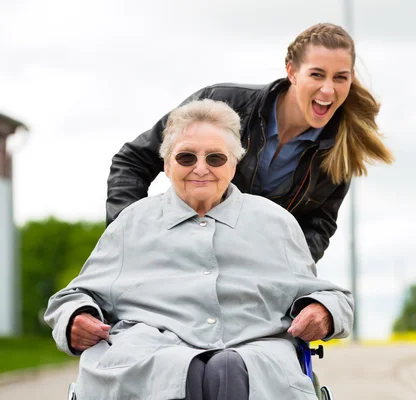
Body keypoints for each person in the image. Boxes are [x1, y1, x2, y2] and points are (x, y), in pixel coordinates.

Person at [45, 99, 353, 400]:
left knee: (230, 368)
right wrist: (76, 317)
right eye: (186, 158)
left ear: (234, 164)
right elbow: (73, 297)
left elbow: (331, 296)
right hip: (151, 351)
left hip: (254, 348)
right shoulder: (133, 223)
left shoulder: (275, 223)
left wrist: (323, 311)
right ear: (166, 165)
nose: (201, 168)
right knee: (179, 369)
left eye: (216, 158)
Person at [107, 22, 394, 264]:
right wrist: (130, 239)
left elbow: (318, 226)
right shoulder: (222, 102)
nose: (328, 89)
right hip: (181, 256)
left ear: (351, 79)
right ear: (292, 72)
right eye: (317, 74)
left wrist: (285, 277)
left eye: (340, 78)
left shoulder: (341, 149)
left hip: (249, 278)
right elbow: (132, 161)